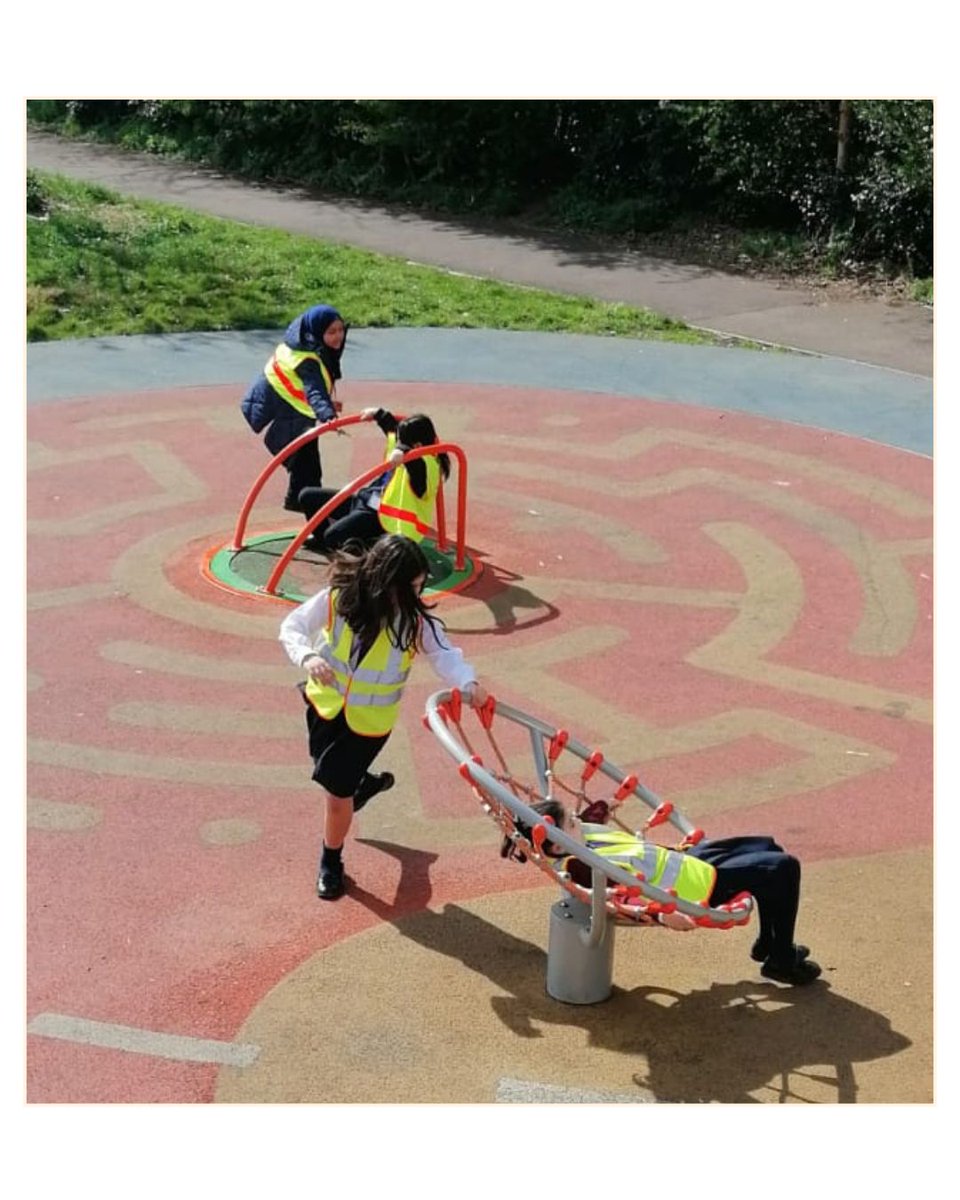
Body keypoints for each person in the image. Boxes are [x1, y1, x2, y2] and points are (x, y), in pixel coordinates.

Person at [279, 535, 487, 900]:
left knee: (335, 795)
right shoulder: (338, 599)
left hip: (369, 725)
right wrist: (308, 657)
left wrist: (469, 682)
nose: (417, 594)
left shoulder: (415, 622)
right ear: (384, 579)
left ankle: (331, 860)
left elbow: (445, 655)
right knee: (331, 780)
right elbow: (292, 627)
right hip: (323, 708)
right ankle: (361, 786)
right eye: (412, 586)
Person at [507, 799, 821, 986]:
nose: (578, 821)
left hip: (689, 861)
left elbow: (590, 821)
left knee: (768, 847)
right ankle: (781, 958)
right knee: (784, 867)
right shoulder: (581, 866)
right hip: (696, 889)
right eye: (571, 822)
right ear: (559, 844)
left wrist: (603, 807)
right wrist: (662, 914)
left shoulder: (578, 838)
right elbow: (621, 896)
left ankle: (769, 943)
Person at [240, 304, 347, 515]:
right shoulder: (308, 360)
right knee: (308, 469)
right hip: (286, 415)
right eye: (331, 332)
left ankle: (298, 501)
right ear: (317, 332)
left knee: (305, 466)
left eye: (340, 330)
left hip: (292, 411)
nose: (338, 337)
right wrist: (327, 414)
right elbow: (313, 389)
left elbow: (302, 388)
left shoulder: (303, 343)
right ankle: (317, 525)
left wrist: (325, 406)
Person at [298, 409, 449, 554]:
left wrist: (403, 452)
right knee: (306, 496)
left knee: (332, 536)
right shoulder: (407, 448)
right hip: (365, 500)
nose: (397, 443)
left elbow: (417, 468)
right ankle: (326, 543)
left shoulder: (427, 465)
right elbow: (393, 429)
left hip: (381, 518)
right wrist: (378, 414)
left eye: (401, 442)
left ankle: (370, 548)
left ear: (417, 446)